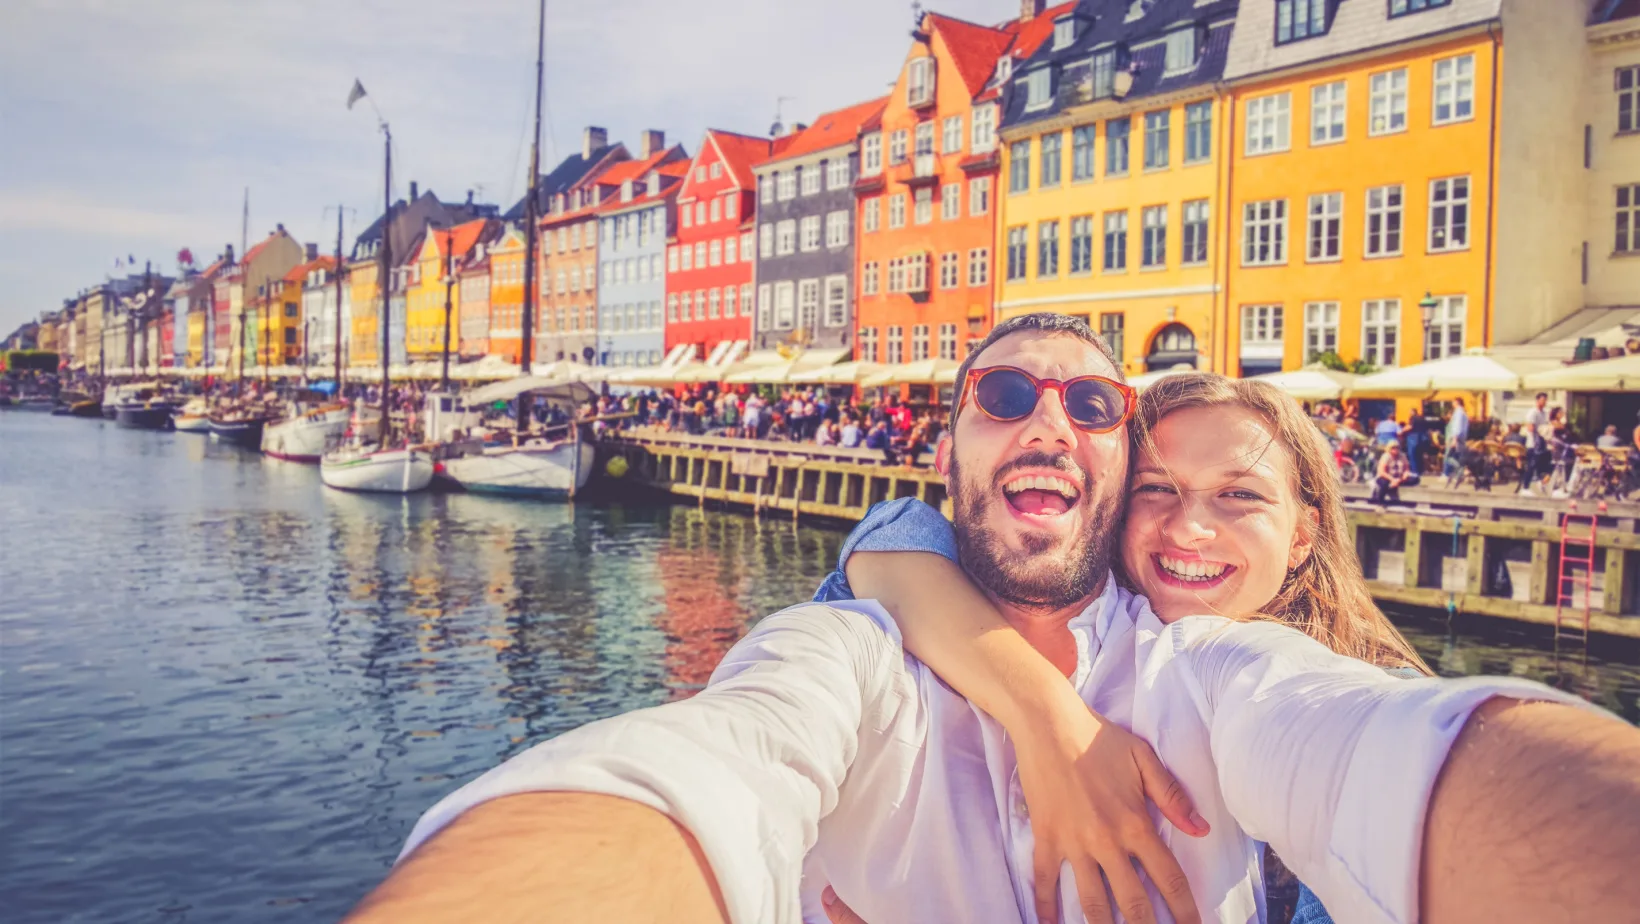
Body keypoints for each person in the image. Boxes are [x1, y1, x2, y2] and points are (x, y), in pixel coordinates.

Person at [348, 314, 1640, 924]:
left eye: (1091, 407)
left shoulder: (1214, 663)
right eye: (1004, 392)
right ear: (947, 449)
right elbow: (706, 767)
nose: (1047, 421)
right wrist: (1043, 717)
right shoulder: (858, 641)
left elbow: (1373, 742)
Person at [813, 371, 1433, 924]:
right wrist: (1050, 716)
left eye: (1241, 494)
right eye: (1156, 488)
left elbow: (1405, 770)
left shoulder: (1350, 694)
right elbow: (901, 529)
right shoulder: (1087, 644)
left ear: (1302, 536)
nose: (1190, 527)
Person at [1519, 393, 1550, 495]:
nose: (1544, 402)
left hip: (1542, 443)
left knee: (1543, 465)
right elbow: (1530, 427)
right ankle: (1525, 487)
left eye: (1545, 400)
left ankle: (1539, 482)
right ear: (1537, 400)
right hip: (1533, 444)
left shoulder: (1544, 413)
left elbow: (1546, 426)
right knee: (1531, 465)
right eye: (1542, 400)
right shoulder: (1532, 412)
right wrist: (1540, 430)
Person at [1372, 440, 1415, 505]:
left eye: (1397, 447)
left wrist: (1404, 476)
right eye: (1393, 448)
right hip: (1386, 477)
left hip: (1399, 478)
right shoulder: (1386, 456)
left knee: (1415, 479)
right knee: (1384, 483)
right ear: (1389, 448)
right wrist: (1392, 480)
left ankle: (1394, 486)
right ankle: (1380, 503)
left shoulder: (1402, 455)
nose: (1395, 449)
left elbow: (1406, 468)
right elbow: (1382, 472)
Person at [1443, 398, 1470, 478]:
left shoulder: (1458, 413)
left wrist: (1454, 438)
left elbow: (1457, 426)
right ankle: (1458, 474)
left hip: (1456, 437)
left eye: (1453, 402)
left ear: (1457, 402)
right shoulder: (1463, 413)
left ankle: (1461, 470)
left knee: (1448, 457)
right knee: (1457, 456)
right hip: (1461, 437)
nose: (1452, 404)